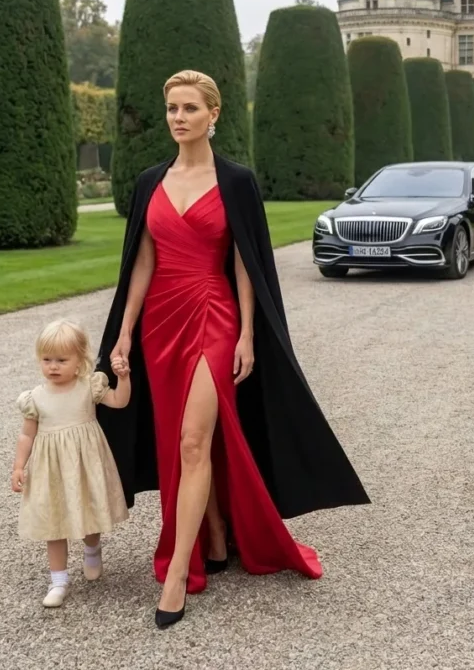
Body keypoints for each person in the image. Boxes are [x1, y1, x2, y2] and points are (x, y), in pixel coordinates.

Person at [96, 70, 370, 629]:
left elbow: (247, 259)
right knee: (177, 444)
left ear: (213, 115)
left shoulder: (237, 181)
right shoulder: (150, 181)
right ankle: (215, 533)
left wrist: (247, 332)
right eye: (172, 108)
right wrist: (123, 332)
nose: (178, 118)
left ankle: (178, 572)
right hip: (159, 323)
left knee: (194, 440)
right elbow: (141, 263)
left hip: (214, 315)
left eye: (190, 108)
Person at [11, 320, 130, 608]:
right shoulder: (35, 398)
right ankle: (58, 580)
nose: (53, 366)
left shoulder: (89, 387)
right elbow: (27, 435)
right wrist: (19, 466)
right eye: (47, 360)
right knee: (53, 523)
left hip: (84, 465)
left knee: (89, 511)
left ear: (80, 360)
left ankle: (92, 549)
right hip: (50, 469)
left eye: (61, 360)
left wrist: (123, 378)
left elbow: (120, 402)